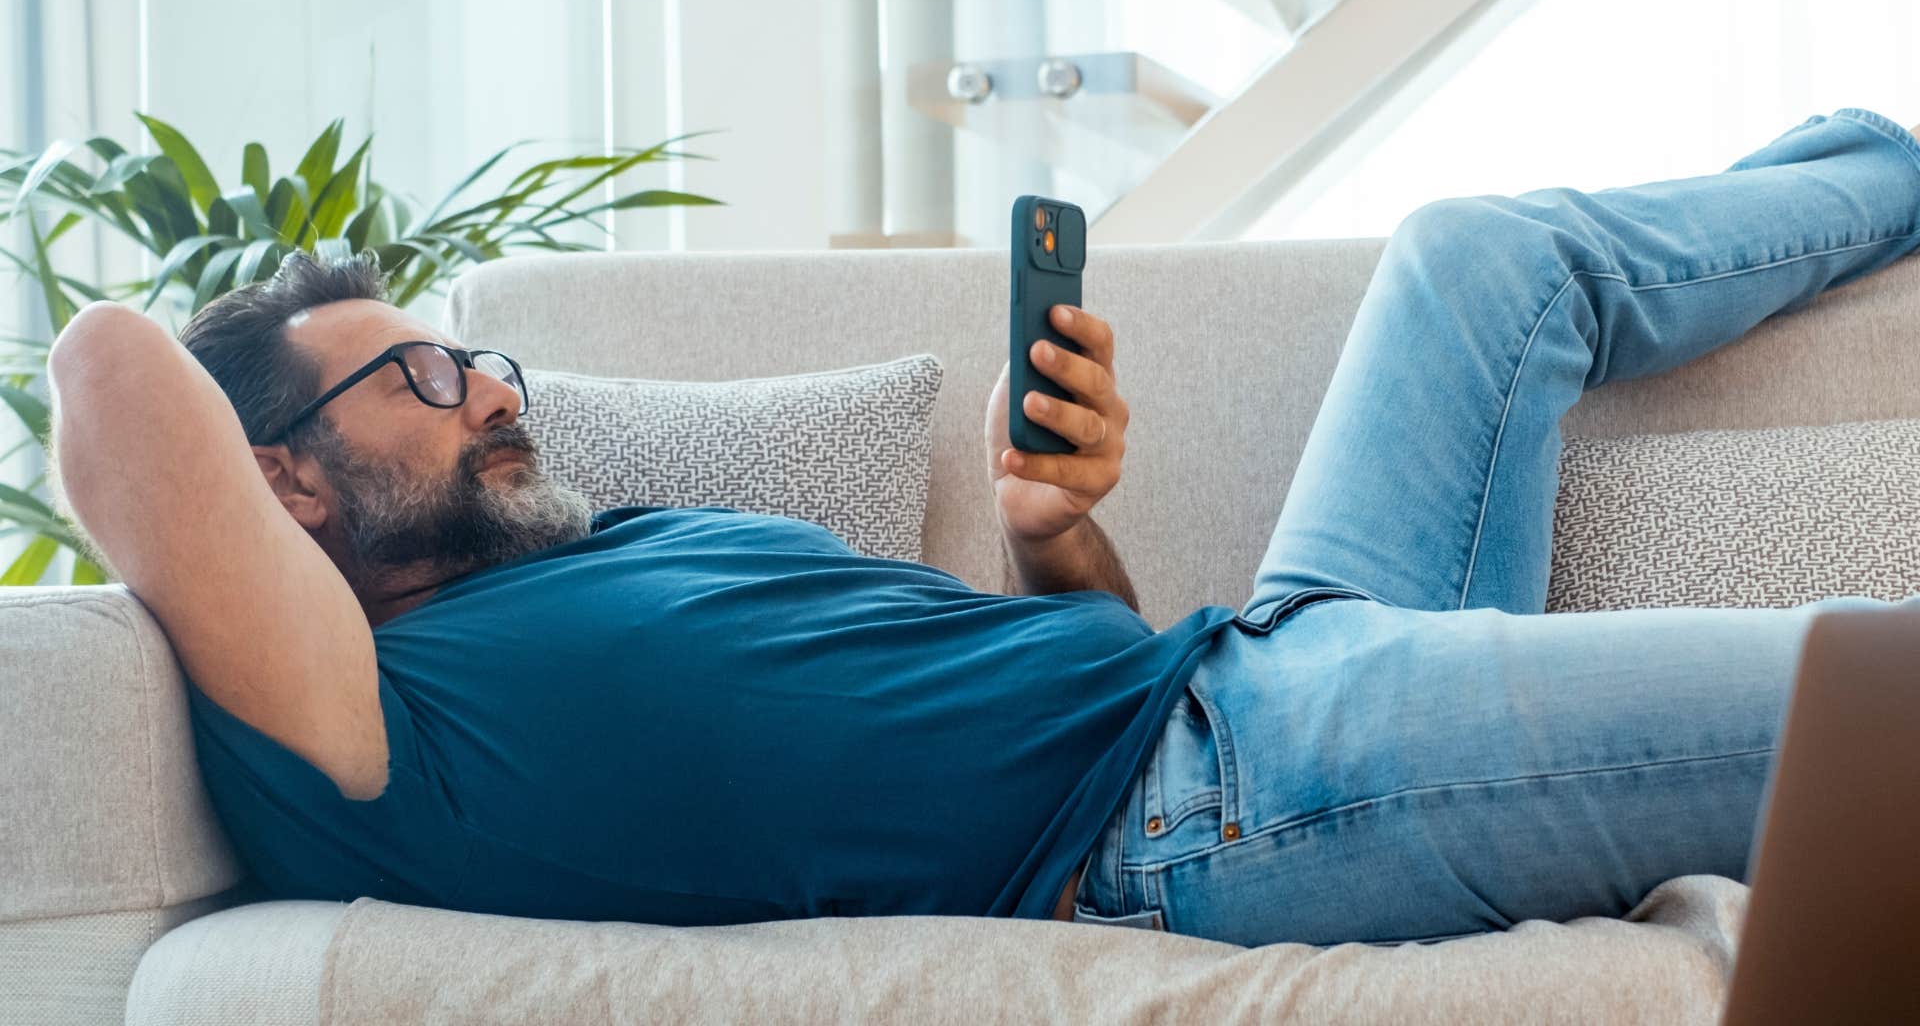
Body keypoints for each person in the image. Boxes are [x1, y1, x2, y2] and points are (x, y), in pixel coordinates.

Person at [44, 107, 1920, 947]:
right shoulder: (359, 716)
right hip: (1229, 806)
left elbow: (1063, 666)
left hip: (1253, 670)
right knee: (1870, 695)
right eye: (429, 382)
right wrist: (259, 401)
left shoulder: (608, 552)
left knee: (1479, 258)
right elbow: (113, 364)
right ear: (284, 475)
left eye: (487, 357)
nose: (499, 390)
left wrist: (1053, 541)